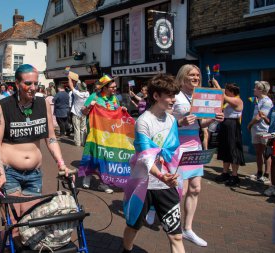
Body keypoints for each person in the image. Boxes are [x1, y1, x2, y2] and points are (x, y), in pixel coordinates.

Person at [0, 64, 70, 241]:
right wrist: (0, 173)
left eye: (36, 83)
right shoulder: (3, 106)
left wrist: (62, 164)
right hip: (9, 173)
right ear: (17, 84)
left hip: (34, 175)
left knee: (29, 224)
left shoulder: (43, 104)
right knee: (13, 224)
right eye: (28, 83)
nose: (33, 88)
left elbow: (50, 138)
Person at [122, 73, 184, 253]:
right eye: (170, 95)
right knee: (133, 226)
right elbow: (145, 157)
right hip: (143, 185)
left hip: (166, 185)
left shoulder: (172, 120)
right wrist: (162, 175)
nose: (174, 99)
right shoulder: (143, 121)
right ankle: (126, 250)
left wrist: (170, 172)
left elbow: (172, 149)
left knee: (176, 235)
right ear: (156, 96)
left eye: (175, 95)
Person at [172, 64, 224, 247]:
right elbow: (163, 121)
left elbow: (201, 124)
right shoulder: (175, 96)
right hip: (177, 146)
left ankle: (187, 229)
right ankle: (173, 225)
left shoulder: (199, 97)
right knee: (181, 190)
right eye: (192, 75)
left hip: (195, 144)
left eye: (197, 75)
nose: (196, 77)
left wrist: (214, 119)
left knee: (195, 189)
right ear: (183, 77)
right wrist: (180, 121)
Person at [80, 74, 124, 194]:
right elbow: (83, 112)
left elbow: (117, 112)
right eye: (112, 87)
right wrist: (89, 106)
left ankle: (103, 183)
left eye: (115, 87)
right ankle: (87, 176)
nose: (115, 89)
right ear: (104, 87)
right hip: (95, 133)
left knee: (106, 158)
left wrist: (122, 110)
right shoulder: (94, 96)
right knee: (93, 154)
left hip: (110, 134)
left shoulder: (114, 99)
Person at [212, 80, 246, 186]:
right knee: (225, 149)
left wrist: (216, 83)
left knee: (233, 150)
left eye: (227, 90)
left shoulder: (237, 100)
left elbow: (223, 95)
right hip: (225, 126)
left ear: (231, 91)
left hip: (233, 127)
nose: (225, 91)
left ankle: (235, 175)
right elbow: (221, 93)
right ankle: (225, 173)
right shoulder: (229, 99)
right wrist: (214, 85)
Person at [248, 81, 273, 184]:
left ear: (261, 90)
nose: (254, 89)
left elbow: (259, 117)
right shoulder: (259, 100)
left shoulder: (267, 101)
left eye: (256, 88)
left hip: (264, 130)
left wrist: (249, 124)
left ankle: (266, 175)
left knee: (266, 154)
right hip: (256, 130)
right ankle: (259, 173)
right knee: (258, 152)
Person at [67, 76, 90, 146]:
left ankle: (78, 143)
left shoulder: (77, 93)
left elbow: (71, 86)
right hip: (84, 113)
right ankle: (83, 142)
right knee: (83, 128)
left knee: (77, 128)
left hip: (76, 113)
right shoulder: (87, 93)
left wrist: (69, 78)